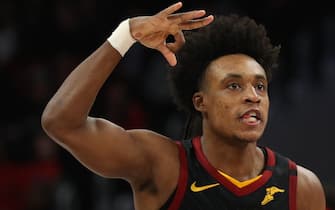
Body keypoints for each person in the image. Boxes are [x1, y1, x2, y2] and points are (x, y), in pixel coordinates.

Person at [41, 2, 326, 210]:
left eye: (259, 86)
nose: (252, 96)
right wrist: (124, 35)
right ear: (200, 101)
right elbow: (61, 121)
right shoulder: (162, 164)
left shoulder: (301, 187)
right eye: (234, 85)